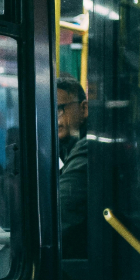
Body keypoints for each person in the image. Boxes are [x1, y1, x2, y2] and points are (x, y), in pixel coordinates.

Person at [57, 76, 89, 259]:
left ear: (83, 109)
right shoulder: (68, 149)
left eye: (60, 109)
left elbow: (63, 210)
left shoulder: (88, 147)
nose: (55, 118)